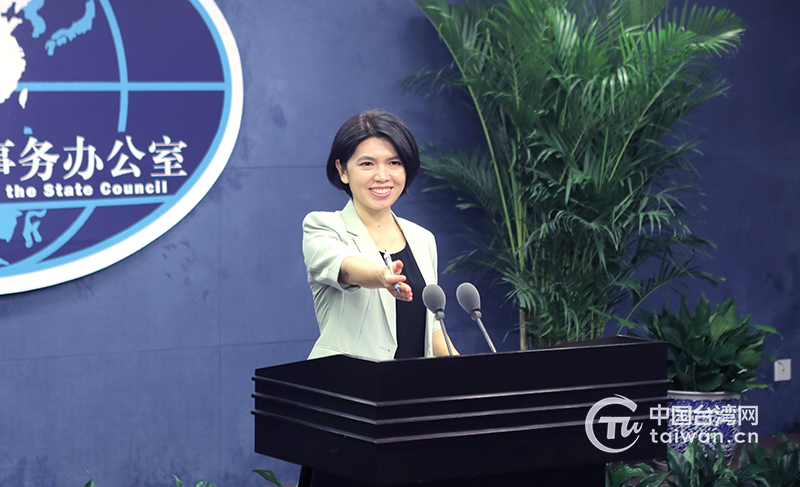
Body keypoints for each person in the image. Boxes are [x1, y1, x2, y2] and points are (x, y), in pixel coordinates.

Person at [302, 109, 457, 361]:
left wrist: (470, 376)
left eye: (394, 163)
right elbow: (346, 267)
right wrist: (380, 276)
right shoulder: (322, 226)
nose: (382, 176)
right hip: (348, 382)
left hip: (414, 384)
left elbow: (433, 330)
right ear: (342, 170)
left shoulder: (422, 239)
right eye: (367, 164)